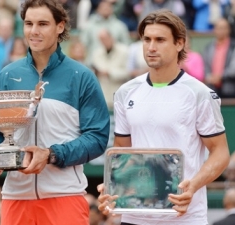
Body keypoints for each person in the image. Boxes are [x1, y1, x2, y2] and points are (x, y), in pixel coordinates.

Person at [0, 1, 110, 225]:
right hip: (15, 198)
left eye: (43, 24)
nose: (34, 31)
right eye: (29, 23)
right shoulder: (7, 75)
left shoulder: (81, 76)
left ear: (60, 26)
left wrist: (51, 154)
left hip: (65, 197)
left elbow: (97, 138)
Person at [97, 9, 230, 225]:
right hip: (135, 216)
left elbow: (220, 151)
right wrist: (112, 184)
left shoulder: (199, 94)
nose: (151, 47)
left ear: (179, 43)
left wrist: (194, 184)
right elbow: (122, 152)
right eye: (147, 39)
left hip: (185, 218)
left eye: (160, 40)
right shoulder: (125, 92)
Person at [91, 28, 130, 107]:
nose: (104, 41)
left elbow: (128, 72)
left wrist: (109, 73)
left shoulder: (124, 51)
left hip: (119, 92)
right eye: (101, 40)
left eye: (105, 39)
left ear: (111, 37)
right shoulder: (97, 53)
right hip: (103, 94)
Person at [203, 17, 235, 98]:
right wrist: (210, 77)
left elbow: (233, 69)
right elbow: (205, 66)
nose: (222, 30)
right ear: (215, 29)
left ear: (229, 30)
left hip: (230, 90)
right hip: (212, 89)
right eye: (219, 28)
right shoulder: (208, 47)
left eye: (224, 28)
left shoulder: (233, 46)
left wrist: (220, 76)